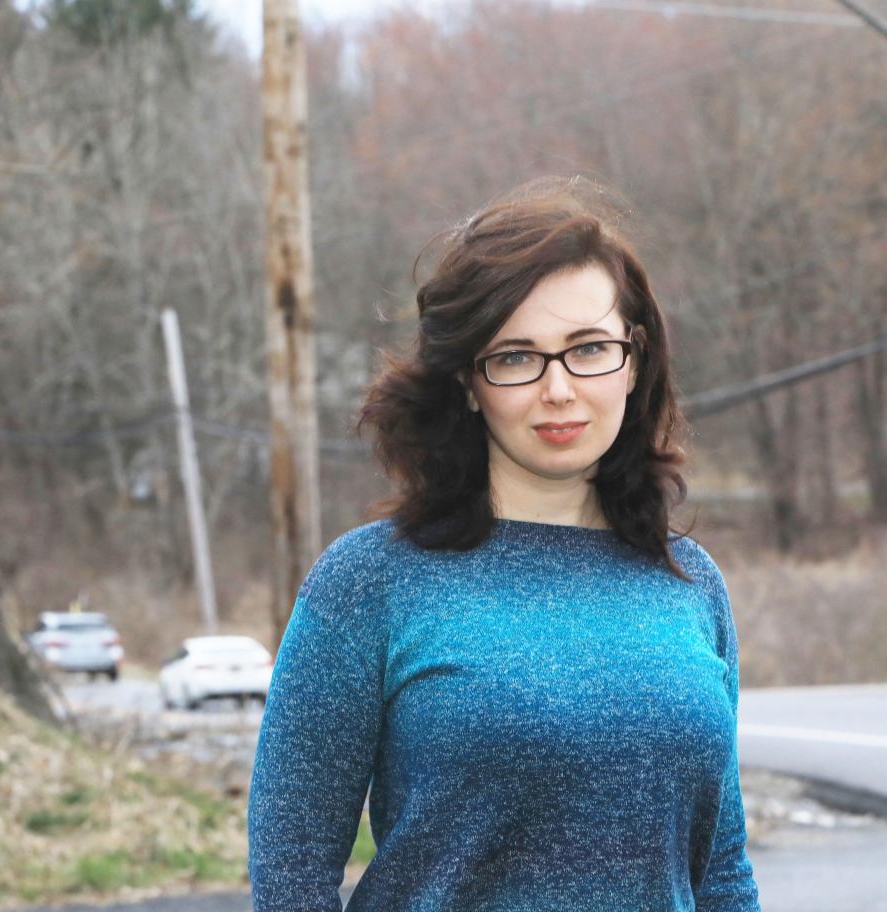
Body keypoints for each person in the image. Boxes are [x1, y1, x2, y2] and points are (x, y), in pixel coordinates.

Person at [246, 176, 761, 911]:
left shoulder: (688, 583)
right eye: (516, 356)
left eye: (589, 348)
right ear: (466, 381)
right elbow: (292, 868)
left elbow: (720, 870)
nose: (558, 389)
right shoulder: (369, 581)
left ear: (635, 359)